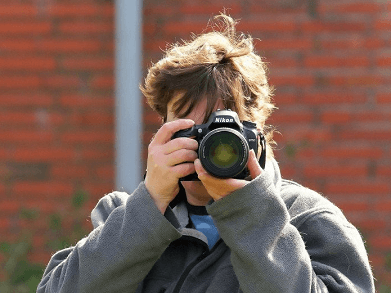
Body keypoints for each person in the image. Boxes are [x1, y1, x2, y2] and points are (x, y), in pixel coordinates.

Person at [37, 14, 375, 293]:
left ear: (255, 134)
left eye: (221, 133)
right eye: (188, 128)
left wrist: (249, 213)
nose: (205, 146)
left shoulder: (309, 220)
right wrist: (149, 208)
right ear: (161, 131)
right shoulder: (122, 217)